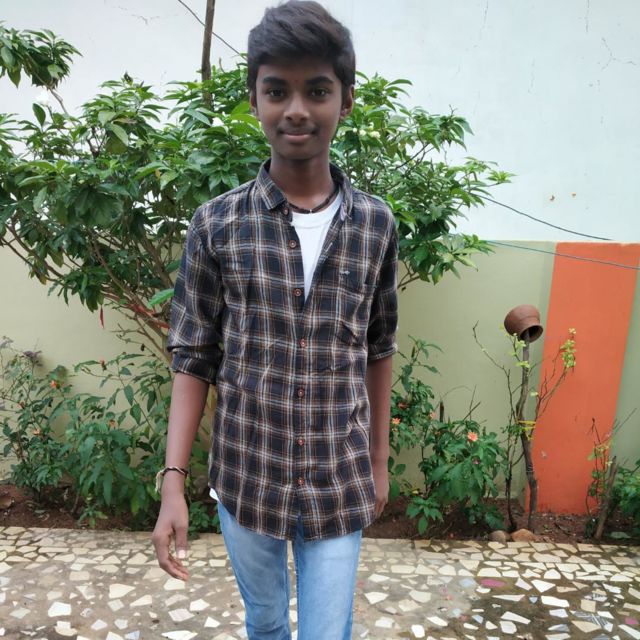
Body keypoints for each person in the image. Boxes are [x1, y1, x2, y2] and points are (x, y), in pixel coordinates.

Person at [152, 1, 398, 638]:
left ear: (345, 100)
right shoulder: (218, 223)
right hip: (247, 476)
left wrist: (378, 461)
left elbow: (378, 347)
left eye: (317, 90)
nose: (296, 109)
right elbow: (194, 357)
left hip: (338, 478)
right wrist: (173, 483)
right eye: (276, 91)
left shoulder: (375, 225)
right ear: (255, 100)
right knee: (264, 623)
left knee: (326, 632)